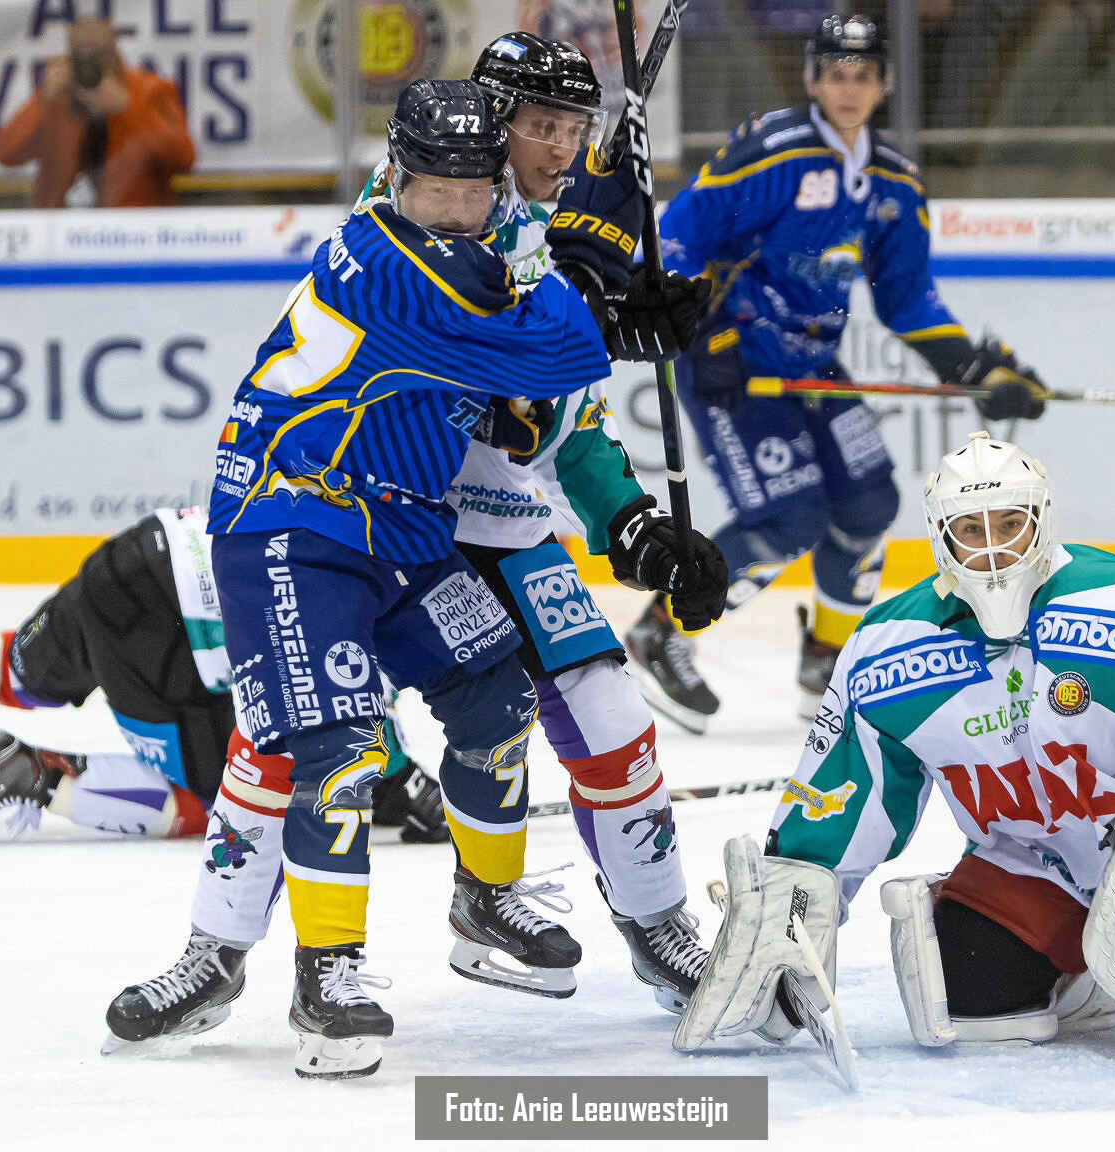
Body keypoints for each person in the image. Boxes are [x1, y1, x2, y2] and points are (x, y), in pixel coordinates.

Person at [101, 77, 707, 1080]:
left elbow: (549, 354)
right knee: (328, 746)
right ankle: (312, 971)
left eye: (473, 189)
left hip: (402, 526)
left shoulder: (493, 239)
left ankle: (486, 896)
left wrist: (603, 286)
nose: (457, 207)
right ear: (395, 176)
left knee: (496, 694)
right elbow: (540, 348)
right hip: (298, 517)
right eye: (436, 187)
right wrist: (603, 303)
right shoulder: (388, 261)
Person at [673, 432, 1115, 1095]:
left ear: (1042, 520)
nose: (993, 550)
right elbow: (841, 789)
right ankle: (1099, 971)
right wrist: (794, 905)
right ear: (940, 538)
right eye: (970, 530)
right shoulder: (888, 649)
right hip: (1032, 862)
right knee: (966, 995)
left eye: (1010, 525)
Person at [350, 31, 729, 1013]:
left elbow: (566, 428)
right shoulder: (414, 200)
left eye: (574, 128)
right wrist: (599, 319)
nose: (562, 149)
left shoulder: (532, 235)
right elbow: (453, 335)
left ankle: (656, 925)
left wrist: (634, 523)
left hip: (499, 518)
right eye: (541, 126)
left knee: (608, 713)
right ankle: (247, 946)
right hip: (390, 512)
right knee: (308, 741)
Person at [624, 12, 1051, 736]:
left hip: (815, 362)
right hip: (737, 360)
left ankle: (825, 658)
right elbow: (679, 234)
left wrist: (976, 366)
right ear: (813, 80)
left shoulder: (892, 181)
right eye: (834, 73)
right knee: (791, 516)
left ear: (882, 85)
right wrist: (706, 331)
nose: (848, 88)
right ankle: (661, 630)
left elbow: (908, 298)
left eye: (862, 75)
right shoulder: (772, 152)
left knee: (868, 504)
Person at [0, 509, 450, 847]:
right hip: (165, 625)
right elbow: (351, 700)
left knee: (18, 668)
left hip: (140, 552)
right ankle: (37, 773)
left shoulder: (363, 513)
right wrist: (409, 788)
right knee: (224, 802)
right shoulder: (389, 590)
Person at [0, 16, 197, 208]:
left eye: (100, 53)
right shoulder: (59, 95)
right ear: (70, 54)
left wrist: (129, 110)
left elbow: (183, 160)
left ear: (115, 51)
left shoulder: (149, 91)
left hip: (130, 225)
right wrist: (43, 101)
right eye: (82, 54)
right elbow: (6, 154)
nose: (92, 63)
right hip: (60, 224)